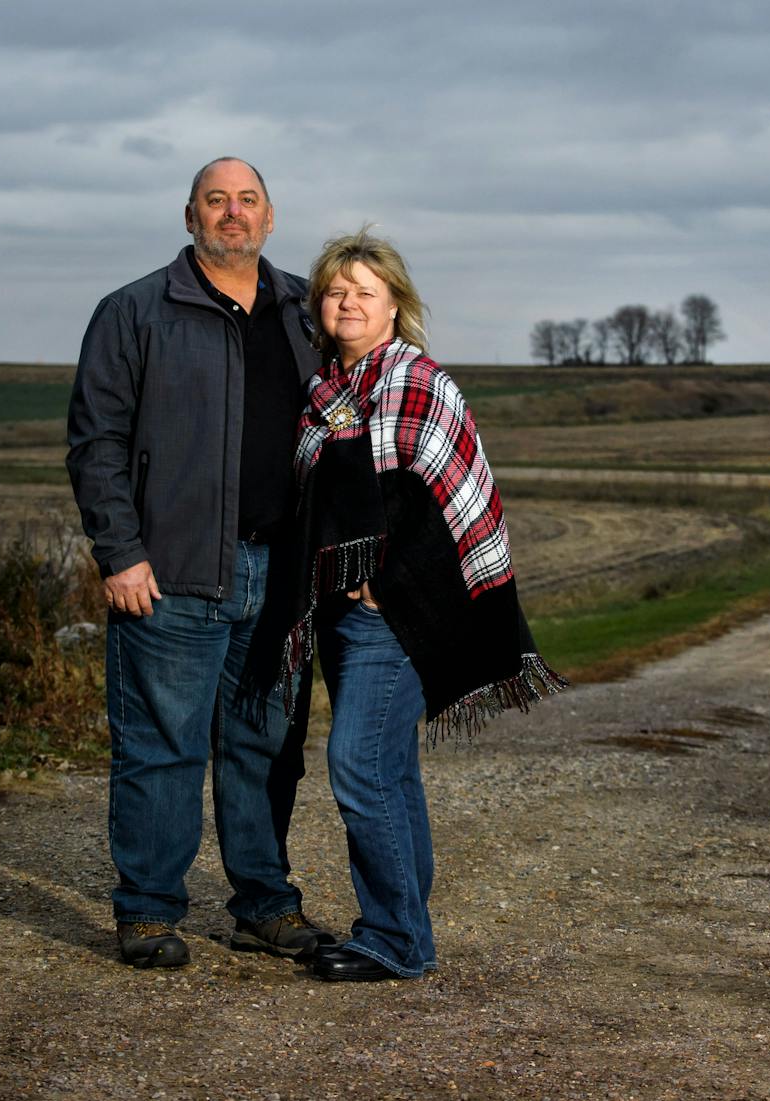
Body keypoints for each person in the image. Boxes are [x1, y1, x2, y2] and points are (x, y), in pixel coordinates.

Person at [66, 157, 335, 968]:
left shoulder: (305, 313)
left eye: (246, 200)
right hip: (171, 576)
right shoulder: (136, 311)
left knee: (265, 747)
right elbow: (95, 442)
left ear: (271, 216)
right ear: (189, 216)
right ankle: (148, 911)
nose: (232, 213)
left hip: (280, 574)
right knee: (161, 745)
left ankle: (264, 902)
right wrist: (120, 553)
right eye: (215, 201)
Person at [284, 227, 565, 982]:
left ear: (394, 305)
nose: (347, 301)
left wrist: (391, 578)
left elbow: (463, 499)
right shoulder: (324, 391)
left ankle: (397, 938)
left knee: (357, 764)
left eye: (363, 291)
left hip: (400, 614)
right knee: (391, 769)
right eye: (336, 290)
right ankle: (400, 923)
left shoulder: (417, 380)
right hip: (344, 614)